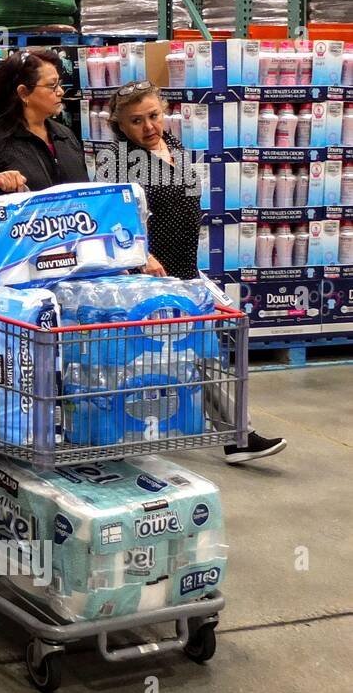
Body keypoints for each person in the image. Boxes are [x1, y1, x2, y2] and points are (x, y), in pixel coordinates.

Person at [101, 80, 286, 465]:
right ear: (120, 126)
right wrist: (144, 256)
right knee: (179, 356)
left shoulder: (177, 149)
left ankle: (236, 436)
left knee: (201, 353)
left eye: (153, 115)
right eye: (136, 121)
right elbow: (115, 222)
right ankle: (236, 434)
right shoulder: (118, 162)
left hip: (185, 269)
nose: (149, 127)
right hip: (150, 277)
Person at [0, 50, 88, 193]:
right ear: (23, 92)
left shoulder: (64, 135)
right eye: (52, 86)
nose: (60, 92)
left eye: (59, 84)